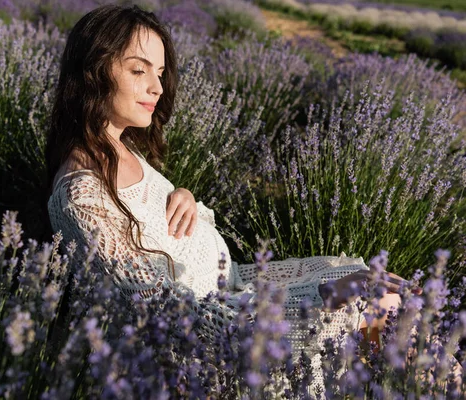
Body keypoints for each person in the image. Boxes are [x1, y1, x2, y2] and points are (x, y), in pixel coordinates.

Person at [44, 3, 462, 395]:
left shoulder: (120, 148)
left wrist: (188, 199)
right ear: (94, 71)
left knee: (393, 287)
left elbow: (164, 222)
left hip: (238, 285)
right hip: (213, 348)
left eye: (160, 71)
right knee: (385, 307)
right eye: (139, 70)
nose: (156, 87)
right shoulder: (81, 197)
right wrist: (323, 298)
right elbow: (171, 319)